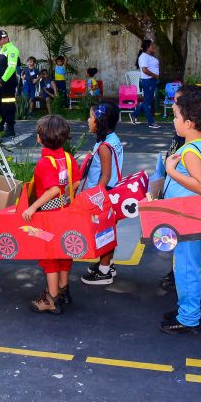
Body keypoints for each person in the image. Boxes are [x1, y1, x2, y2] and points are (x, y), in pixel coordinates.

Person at [160, 89, 201, 334]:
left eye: (175, 117)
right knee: (185, 266)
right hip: (186, 218)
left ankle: (189, 317)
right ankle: (186, 310)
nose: (173, 121)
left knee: (185, 268)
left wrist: (171, 172)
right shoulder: (199, 144)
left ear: (189, 123)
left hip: (188, 221)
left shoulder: (190, 151)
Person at [27, 115, 82, 314]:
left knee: (49, 255)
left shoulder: (44, 163)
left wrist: (33, 207)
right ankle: (63, 289)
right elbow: (75, 182)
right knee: (64, 252)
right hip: (65, 211)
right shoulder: (67, 157)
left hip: (48, 215)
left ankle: (52, 299)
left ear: (41, 138)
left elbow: (50, 190)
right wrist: (65, 195)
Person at [81, 103, 124, 286]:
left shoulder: (104, 146)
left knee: (104, 233)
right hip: (112, 192)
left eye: (91, 117)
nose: (88, 120)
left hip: (104, 194)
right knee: (109, 230)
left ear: (100, 122)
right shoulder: (112, 139)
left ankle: (104, 272)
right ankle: (108, 264)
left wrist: (97, 199)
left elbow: (105, 175)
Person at [0, 30, 19, 139]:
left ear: (6, 38)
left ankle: (10, 129)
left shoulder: (12, 50)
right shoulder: (3, 49)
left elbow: (11, 67)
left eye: (0, 39)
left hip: (7, 84)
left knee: (8, 106)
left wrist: (2, 80)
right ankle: (0, 127)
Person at [132, 39, 160, 128]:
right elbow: (144, 70)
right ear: (148, 47)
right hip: (148, 81)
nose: (153, 47)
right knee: (147, 102)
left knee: (147, 101)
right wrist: (155, 75)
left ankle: (134, 114)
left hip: (151, 81)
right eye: (152, 45)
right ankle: (151, 122)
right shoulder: (144, 56)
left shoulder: (148, 56)